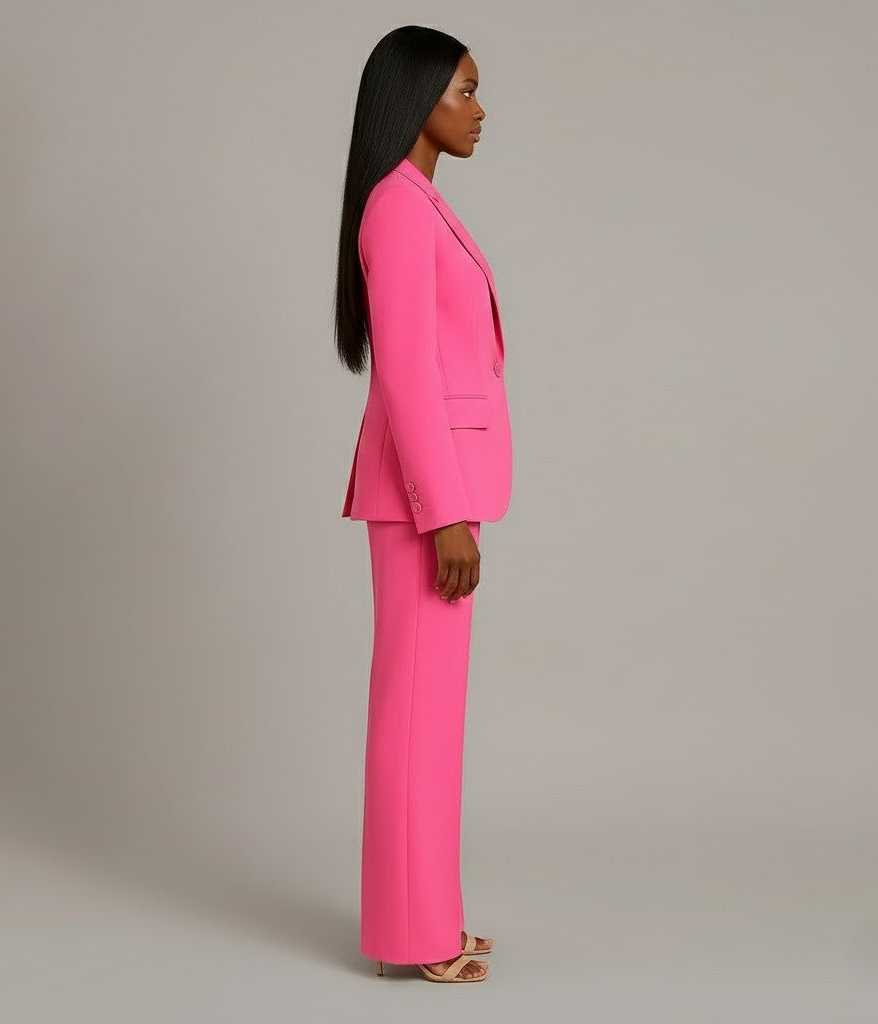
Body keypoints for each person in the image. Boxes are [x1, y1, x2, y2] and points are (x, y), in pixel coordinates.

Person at [333, 25, 512, 985]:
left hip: (437, 493)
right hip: (423, 500)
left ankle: (426, 917)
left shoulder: (416, 202)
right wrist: (443, 512)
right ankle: (414, 932)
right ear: (417, 98)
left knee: (429, 718)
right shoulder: (398, 210)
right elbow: (405, 375)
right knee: (414, 715)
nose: (480, 111)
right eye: (465, 91)